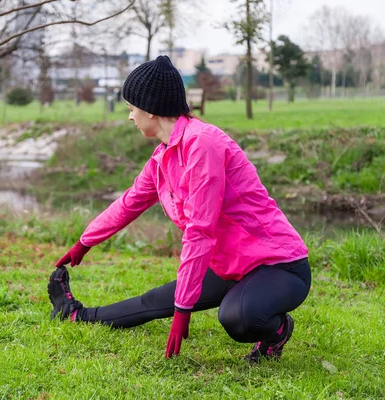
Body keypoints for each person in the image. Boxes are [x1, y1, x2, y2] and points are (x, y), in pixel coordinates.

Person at [47, 55, 311, 363]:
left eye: (131, 108)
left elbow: (201, 230)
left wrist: (183, 309)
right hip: (232, 264)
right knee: (155, 301)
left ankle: (276, 332)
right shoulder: (164, 156)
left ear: (149, 108)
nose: (130, 117)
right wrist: (85, 242)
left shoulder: (203, 145)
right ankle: (77, 315)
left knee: (238, 317)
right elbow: (129, 202)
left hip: (279, 265)